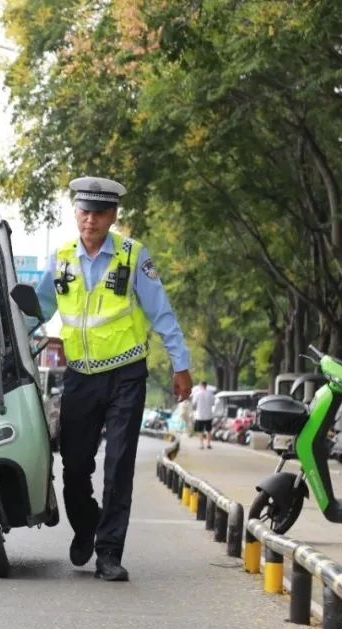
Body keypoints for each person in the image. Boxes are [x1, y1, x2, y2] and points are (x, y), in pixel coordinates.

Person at [34, 176, 192, 582]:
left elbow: (162, 314)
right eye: (84, 212)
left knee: (119, 465)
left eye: (99, 213)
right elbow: (36, 308)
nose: (90, 221)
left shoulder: (133, 256)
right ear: (76, 213)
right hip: (81, 375)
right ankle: (87, 526)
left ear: (113, 216)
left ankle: (108, 552)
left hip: (126, 373)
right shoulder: (61, 259)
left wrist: (180, 365)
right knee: (74, 469)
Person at [192, 381, 215, 449]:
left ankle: (201, 445)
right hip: (208, 415)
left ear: (201, 385)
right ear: (206, 385)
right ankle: (208, 444)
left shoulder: (197, 394)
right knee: (209, 430)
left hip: (200, 416)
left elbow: (194, 403)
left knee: (200, 431)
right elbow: (213, 403)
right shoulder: (210, 393)